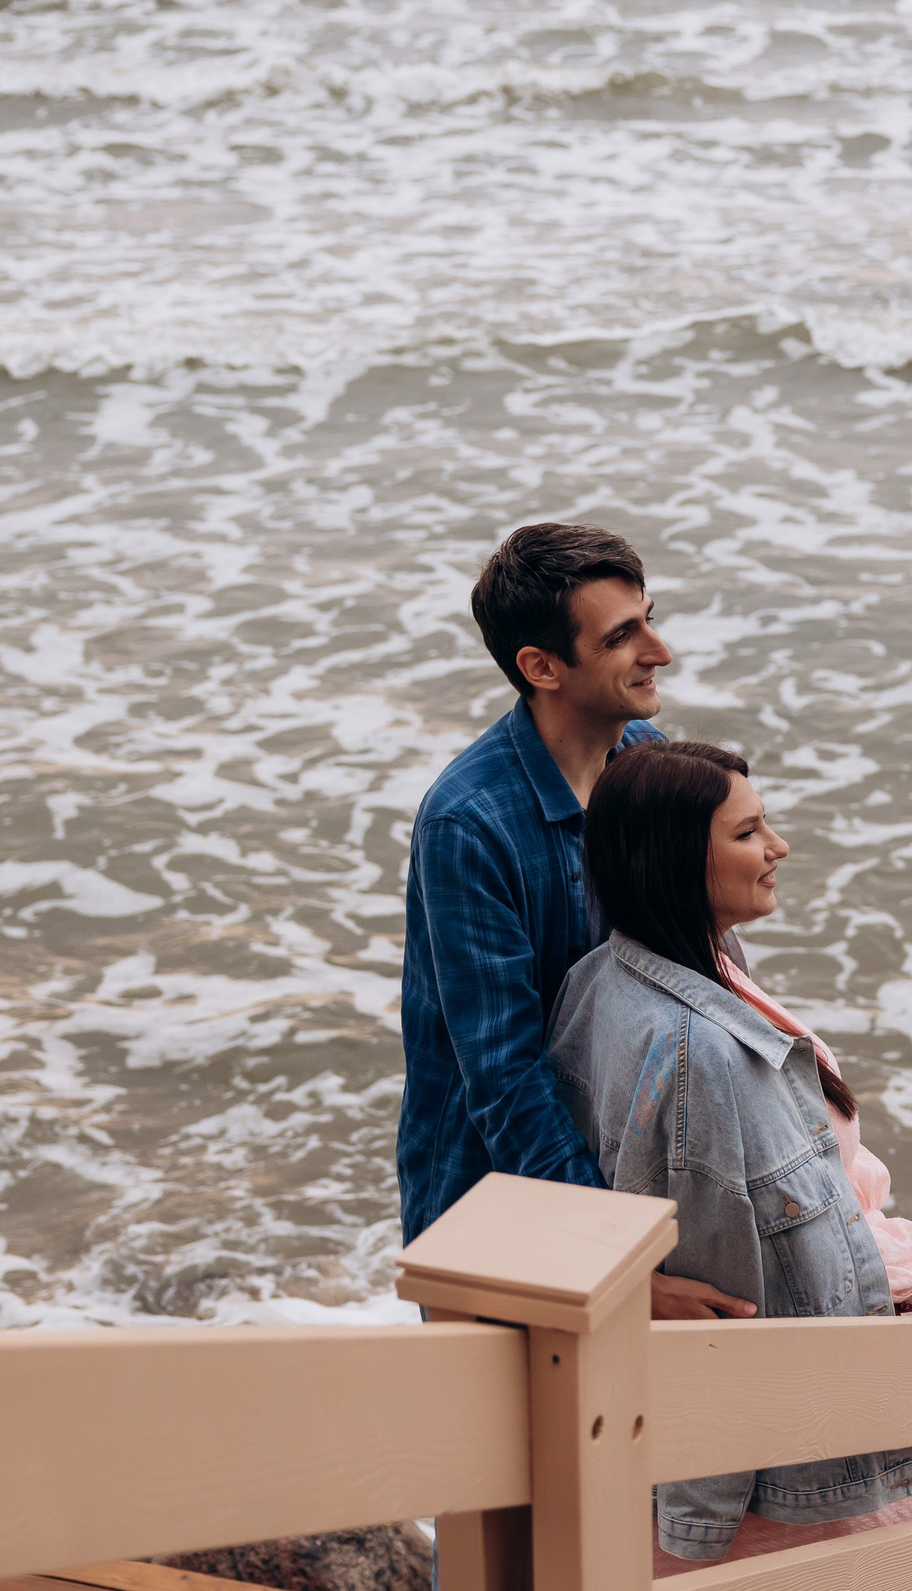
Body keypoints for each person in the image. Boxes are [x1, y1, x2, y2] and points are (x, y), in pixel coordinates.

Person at [550, 740, 912, 1573]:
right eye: (748, 831)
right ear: (675, 860)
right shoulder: (697, 1047)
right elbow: (778, 1235)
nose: (778, 847)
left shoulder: (610, 980)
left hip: (713, 1439)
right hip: (777, 1462)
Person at [395, 522, 752, 1322]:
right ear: (541, 666)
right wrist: (621, 1263)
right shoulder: (469, 823)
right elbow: (504, 1077)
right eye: (623, 635)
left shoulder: (647, 761)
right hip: (495, 1221)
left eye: (650, 618)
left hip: (633, 1189)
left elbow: (704, 975)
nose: (659, 650)